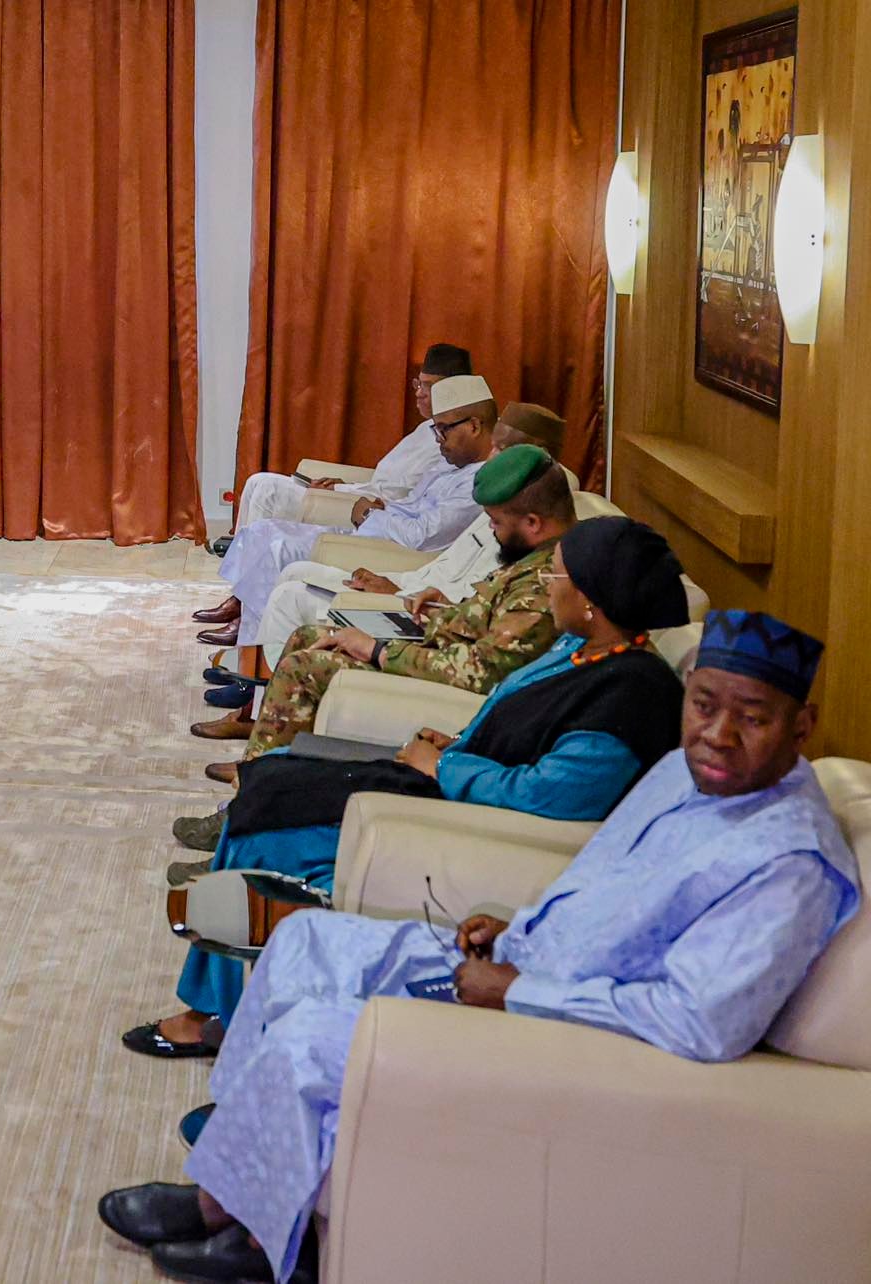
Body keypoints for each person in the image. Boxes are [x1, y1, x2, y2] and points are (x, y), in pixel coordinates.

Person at [96, 609, 858, 1284]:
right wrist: (519, 923)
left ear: (801, 725)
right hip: (531, 961)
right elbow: (601, 884)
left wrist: (515, 990)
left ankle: (246, 1228)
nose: (718, 734)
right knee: (305, 947)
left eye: (752, 717)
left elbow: (700, 1022)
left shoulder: (788, 864)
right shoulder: (685, 774)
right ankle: (241, 1184)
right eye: (703, 706)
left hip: (575, 1028)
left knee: (317, 1040)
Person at [132, 516, 691, 1062]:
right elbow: (510, 718)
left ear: (591, 597)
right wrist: (457, 741)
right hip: (453, 776)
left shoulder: (633, 698)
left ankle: (222, 1020)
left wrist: (445, 766)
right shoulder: (579, 649)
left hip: (472, 818)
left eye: (556, 577)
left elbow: (549, 795)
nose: (545, 585)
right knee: (272, 770)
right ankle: (215, 1001)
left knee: (269, 830)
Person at [193, 446, 573, 783]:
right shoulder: (534, 558)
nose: (492, 532)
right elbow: (485, 623)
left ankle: (253, 794)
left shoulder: (544, 583)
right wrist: (443, 612)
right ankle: (270, 765)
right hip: (438, 650)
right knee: (308, 636)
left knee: (304, 666)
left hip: (456, 692)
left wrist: (378, 650)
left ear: (533, 523)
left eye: (497, 524)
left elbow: (481, 672)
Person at [202, 403, 569, 710]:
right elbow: (447, 574)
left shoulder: (525, 529)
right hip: (416, 596)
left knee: (289, 589)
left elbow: (476, 647)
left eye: (504, 450)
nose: (494, 457)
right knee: (293, 571)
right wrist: (404, 588)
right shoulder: (507, 512)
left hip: (417, 619)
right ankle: (263, 694)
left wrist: (394, 602)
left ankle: (262, 703)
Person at [196, 375, 500, 649]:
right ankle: (245, 623)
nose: (438, 440)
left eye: (444, 429)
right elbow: (409, 505)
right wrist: (379, 509)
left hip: (389, 550)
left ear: (474, 426)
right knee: (264, 530)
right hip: (375, 529)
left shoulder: (477, 482)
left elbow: (421, 536)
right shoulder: (451, 463)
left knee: (278, 547)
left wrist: (371, 515)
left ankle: (250, 650)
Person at [221, 343, 472, 545]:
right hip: (358, 495)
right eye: (418, 384)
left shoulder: (451, 441)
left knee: (265, 489)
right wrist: (345, 485)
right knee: (258, 482)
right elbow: (385, 481)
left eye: (428, 387)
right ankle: (238, 580)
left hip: (371, 512)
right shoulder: (424, 428)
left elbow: (398, 495)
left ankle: (239, 592)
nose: (418, 393)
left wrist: (341, 492)